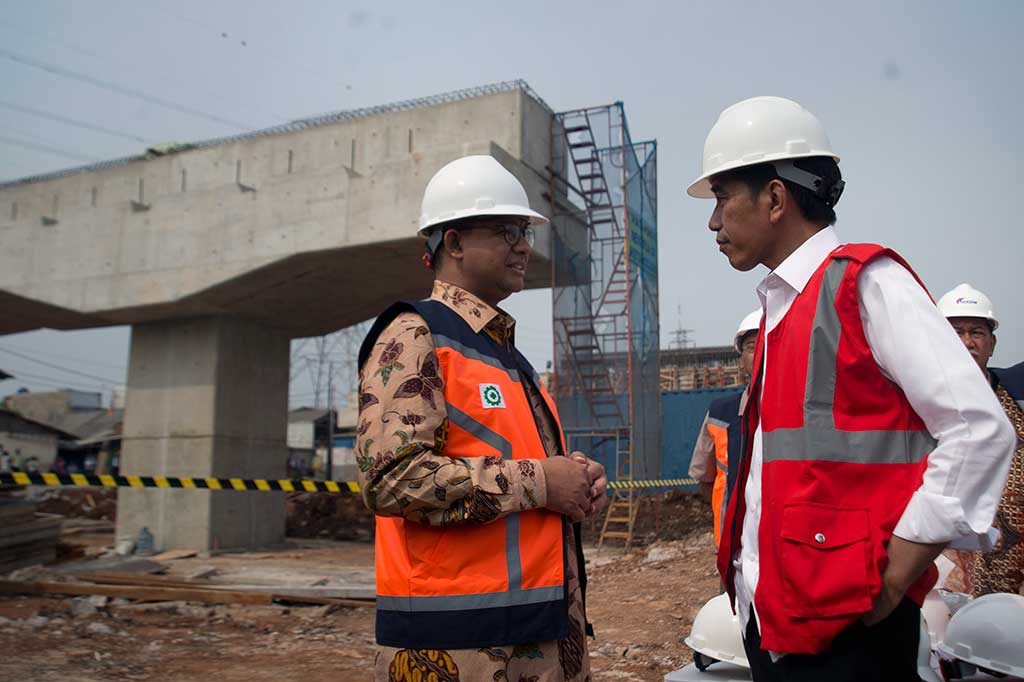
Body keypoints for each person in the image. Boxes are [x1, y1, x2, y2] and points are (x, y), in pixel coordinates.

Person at [687, 96, 1015, 681]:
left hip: (851, 634)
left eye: (722, 197)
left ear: (775, 199)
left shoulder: (868, 285)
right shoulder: (783, 310)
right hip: (776, 623)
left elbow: (978, 429)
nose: (713, 222)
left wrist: (897, 573)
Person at [356, 155, 607, 682]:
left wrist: (575, 483)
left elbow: (523, 473)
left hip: (536, 632)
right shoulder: (415, 335)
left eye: (525, 232)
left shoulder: (508, 358)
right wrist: (543, 482)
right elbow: (391, 479)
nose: (524, 246)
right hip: (458, 648)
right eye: (507, 231)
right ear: (453, 242)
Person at [937, 283, 1024, 596]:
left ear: (992, 343)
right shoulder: (916, 403)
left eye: (976, 332)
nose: (967, 342)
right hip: (939, 562)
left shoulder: (1016, 396)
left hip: (1013, 567)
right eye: (956, 332)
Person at [689, 309, 760, 546]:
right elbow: (705, 478)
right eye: (751, 347)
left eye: (768, 342)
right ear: (740, 361)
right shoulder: (720, 414)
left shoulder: (802, 412)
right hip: (734, 548)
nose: (761, 351)